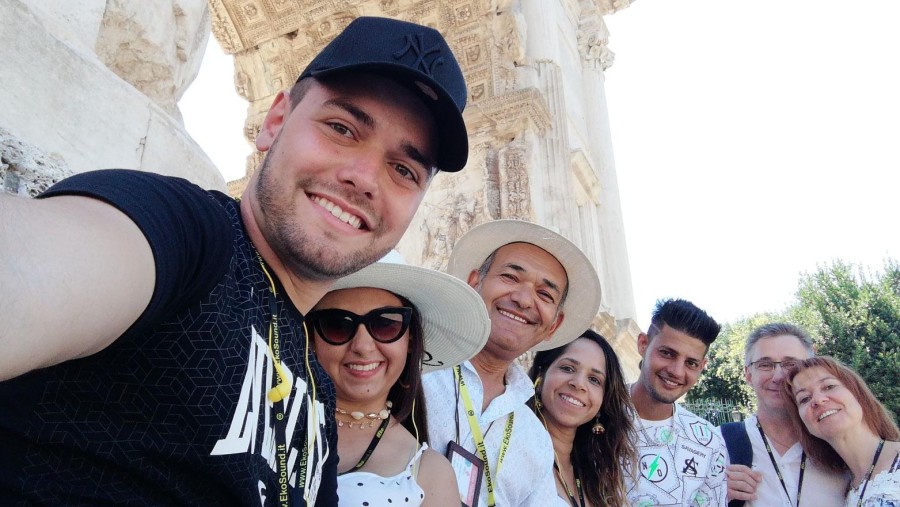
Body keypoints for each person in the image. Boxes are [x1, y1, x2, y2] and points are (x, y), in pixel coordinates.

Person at [0, 16, 469, 505]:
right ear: (274, 123)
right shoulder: (188, 235)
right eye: (342, 128)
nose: (365, 178)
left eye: (403, 169)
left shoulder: (316, 387)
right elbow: (37, 265)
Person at [422, 219, 603, 506]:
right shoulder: (414, 372)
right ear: (473, 284)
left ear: (554, 325)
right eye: (510, 277)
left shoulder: (534, 439)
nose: (523, 299)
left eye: (544, 294)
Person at [305, 254, 491, 506]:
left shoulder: (429, 474)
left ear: (410, 339)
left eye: (385, 324)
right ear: (311, 338)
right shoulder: (263, 416)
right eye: (337, 324)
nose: (362, 346)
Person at [723, 323, 848, 507]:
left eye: (791, 364)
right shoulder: (718, 444)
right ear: (748, 375)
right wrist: (710, 494)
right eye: (765, 365)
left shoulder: (839, 444)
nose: (778, 376)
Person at [624, 298, 729, 507]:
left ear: (702, 366)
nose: (676, 371)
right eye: (667, 353)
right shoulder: (594, 414)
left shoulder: (708, 441)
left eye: (691, 363)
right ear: (643, 344)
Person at [528, 328, 639, 507]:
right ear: (541, 374)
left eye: (594, 379)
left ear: (603, 401)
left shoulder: (599, 477)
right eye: (567, 368)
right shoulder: (509, 445)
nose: (579, 383)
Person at [784, 356, 900, 506]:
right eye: (804, 398)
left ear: (858, 394)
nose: (818, 400)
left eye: (828, 386)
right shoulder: (840, 491)